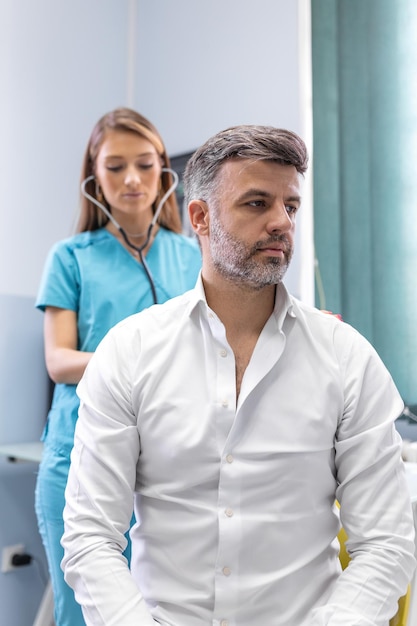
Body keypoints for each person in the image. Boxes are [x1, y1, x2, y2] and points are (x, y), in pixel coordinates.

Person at [61, 124, 416, 626]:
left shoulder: (347, 358)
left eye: (289, 206)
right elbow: (90, 536)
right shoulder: (130, 352)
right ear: (200, 217)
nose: (281, 223)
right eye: (256, 204)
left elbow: (386, 543)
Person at [35, 107, 202, 626]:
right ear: (94, 177)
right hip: (77, 456)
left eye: (145, 164)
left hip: (170, 466)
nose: (132, 179)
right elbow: (59, 361)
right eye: (115, 166)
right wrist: (137, 361)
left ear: (163, 174)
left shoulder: (196, 257)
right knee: (82, 613)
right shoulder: (70, 257)